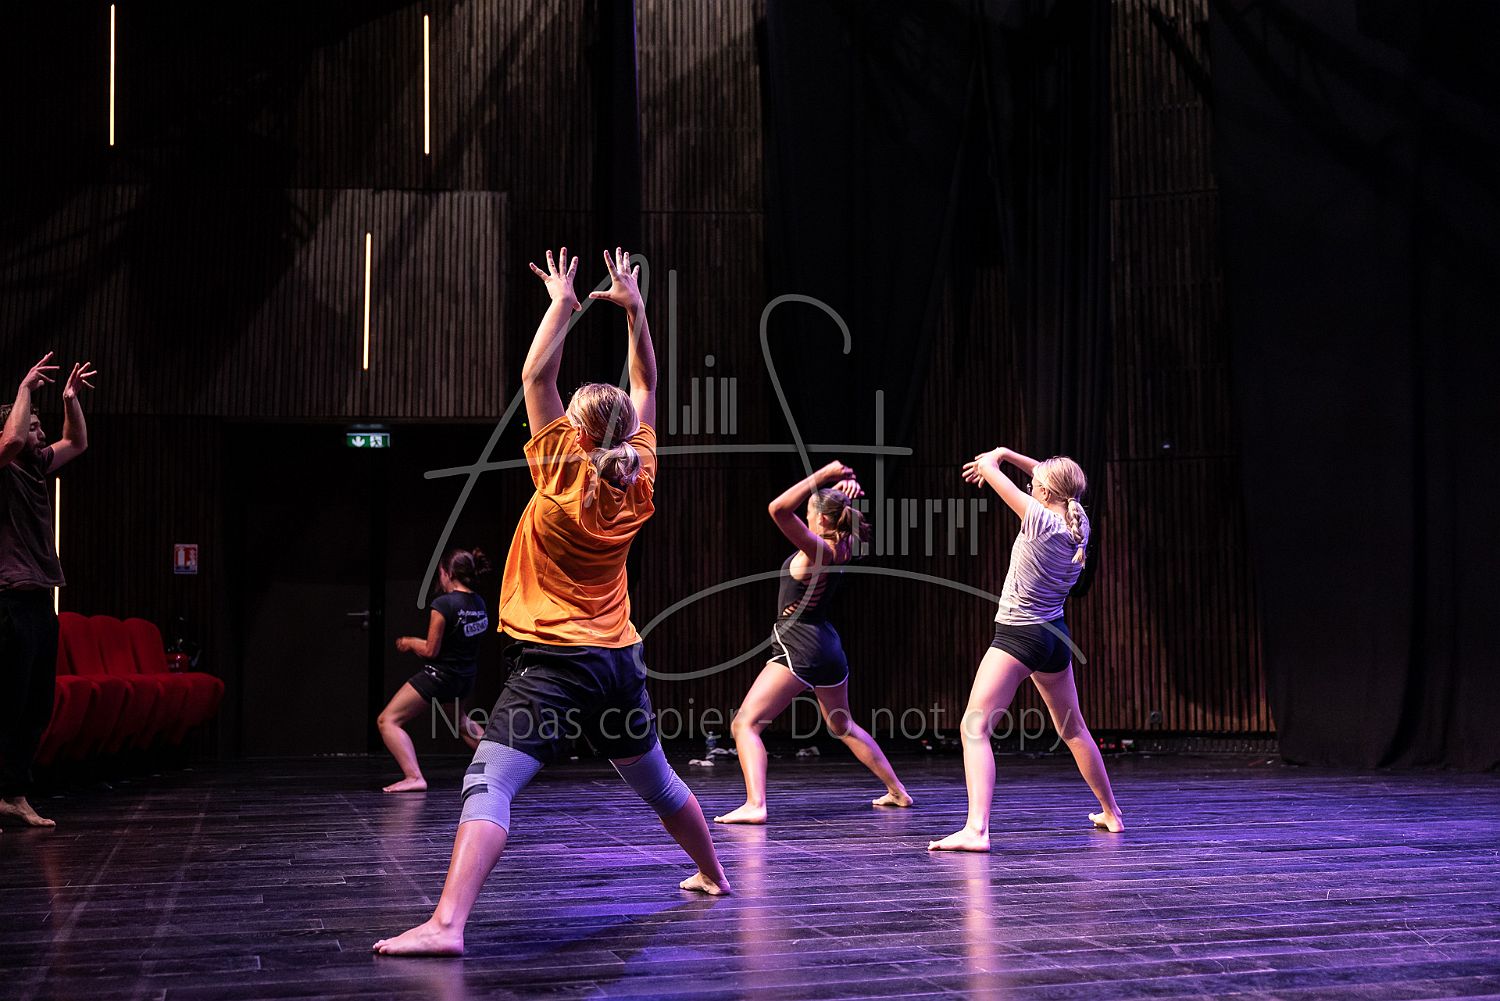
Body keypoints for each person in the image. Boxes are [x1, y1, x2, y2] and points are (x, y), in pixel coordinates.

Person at [374, 248, 730, 957]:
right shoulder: (639, 479)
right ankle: (715, 874)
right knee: (659, 783)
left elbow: (537, 376)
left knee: (489, 783)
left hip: (554, 665)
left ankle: (446, 926)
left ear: (575, 431)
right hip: (618, 661)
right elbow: (647, 380)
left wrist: (563, 303)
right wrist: (635, 309)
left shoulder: (560, 469)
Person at [929, 447, 1123, 852]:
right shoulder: (1078, 521)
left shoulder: (1037, 518)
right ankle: (1112, 812)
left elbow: (989, 470)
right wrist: (1008, 455)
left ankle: (977, 830)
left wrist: (996, 457)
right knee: (1073, 729)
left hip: (1019, 636)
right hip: (1054, 636)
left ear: (1045, 492)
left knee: (973, 728)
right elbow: (1051, 478)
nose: (1029, 485)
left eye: (1034, 485)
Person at [714, 463, 912, 824]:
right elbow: (832, 513)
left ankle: (756, 805)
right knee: (842, 725)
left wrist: (822, 475)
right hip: (828, 647)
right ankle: (897, 791)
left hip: (799, 646)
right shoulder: (843, 545)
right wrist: (846, 485)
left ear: (821, 520)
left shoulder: (818, 550)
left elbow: (778, 509)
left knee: (745, 724)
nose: (804, 519)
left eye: (808, 514)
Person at [0, 353, 97, 831]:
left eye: (40, 426)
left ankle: (13, 795)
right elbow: (12, 439)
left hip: (39, 598)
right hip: (9, 599)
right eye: (34, 425)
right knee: (8, 702)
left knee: (36, 705)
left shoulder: (35, 467)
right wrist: (24, 388)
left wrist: (69, 399)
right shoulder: (3, 463)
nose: (39, 434)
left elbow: (77, 441)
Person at [378, 547, 493, 793]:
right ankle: (498, 766)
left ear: (447, 573)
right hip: (463, 678)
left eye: (440, 572)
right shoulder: (479, 603)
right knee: (461, 722)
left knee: (388, 720)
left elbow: (431, 650)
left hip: (439, 676)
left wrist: (410, 642)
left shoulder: (443, 604)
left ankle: (414, 777)